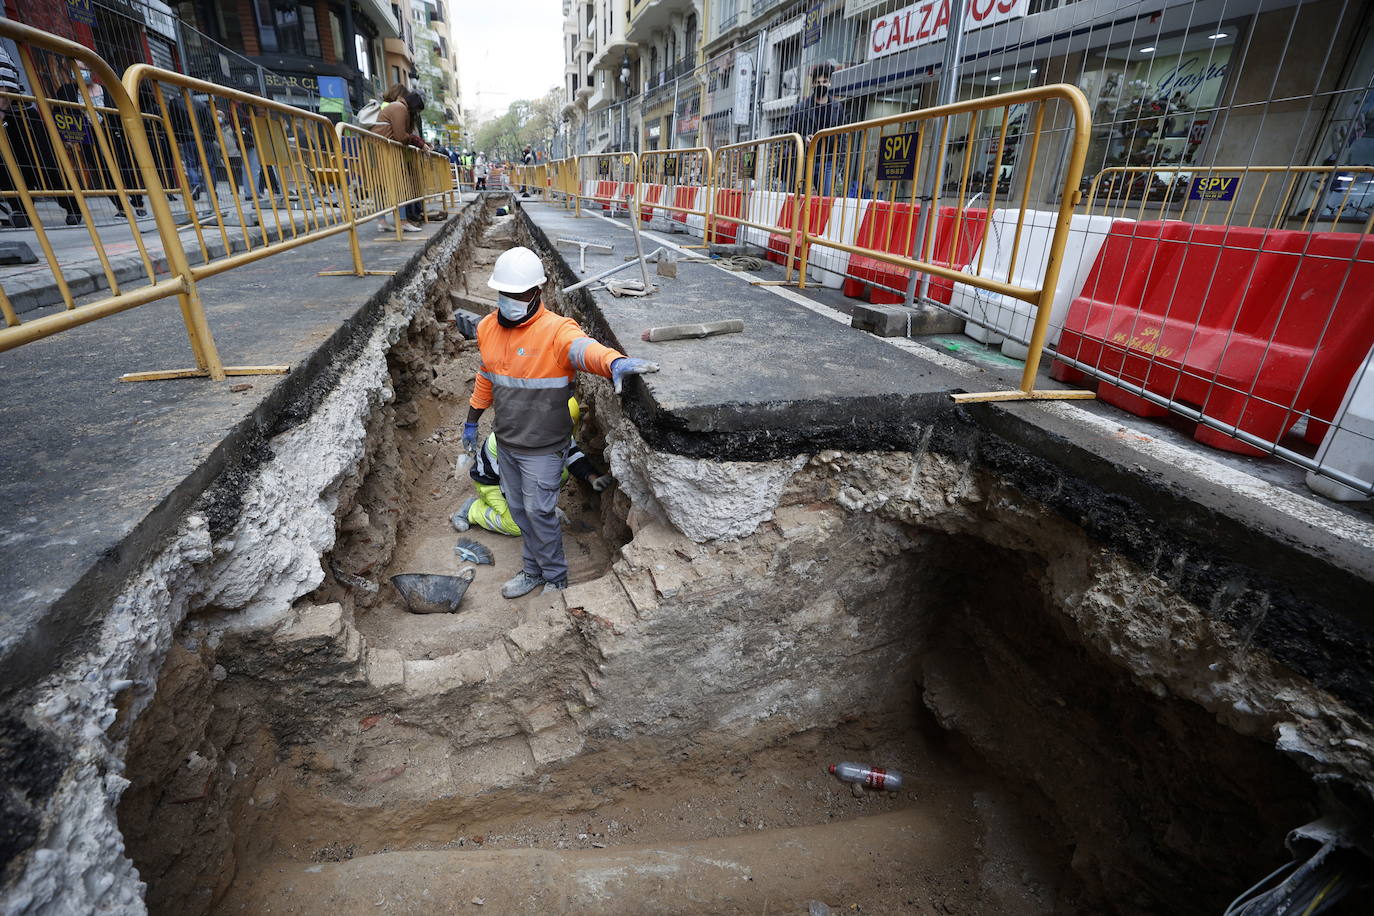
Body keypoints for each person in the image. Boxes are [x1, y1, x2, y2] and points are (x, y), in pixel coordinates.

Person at [465, 246, 658, 597]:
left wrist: (613, 362)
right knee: (521, 513)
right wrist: (471, 419)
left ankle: (555, 577)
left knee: (540, 513)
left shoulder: (555, 331)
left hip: (544, 449)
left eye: (518, 294)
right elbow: (486, 376)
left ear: (537, 292)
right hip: (507, 443)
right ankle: (533, 571)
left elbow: (583, 349)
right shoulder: (487, 328)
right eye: (504, 293)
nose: (510, 300)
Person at [452, 397, 612, 536]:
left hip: (519, 477)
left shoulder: (553, 431)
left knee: (560, 472)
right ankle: (472, 509)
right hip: (492, 481)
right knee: (517, 526)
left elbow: (572, 455)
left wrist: (593, 478)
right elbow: (514, 484)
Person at [370, 84, 426, 232]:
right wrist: (416, 141)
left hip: (378, 150)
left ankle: (382, 221)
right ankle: (402, 221)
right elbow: (400, 136)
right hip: (386, 152)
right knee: (400, 186)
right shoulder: (399, 108)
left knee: (380, 188)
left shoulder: (394, 106)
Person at [785, 62, 846, 195]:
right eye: (817, 82)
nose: (821, 85)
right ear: (812, 84)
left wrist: (838, 164)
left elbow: (842, 136)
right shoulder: (800, 108)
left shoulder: (837, 108)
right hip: (805, 160)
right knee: (801, 197)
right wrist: (803, 139)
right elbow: (787, 132)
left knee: (825, 201)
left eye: (824, 81)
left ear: (829, 82)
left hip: (828, 161)